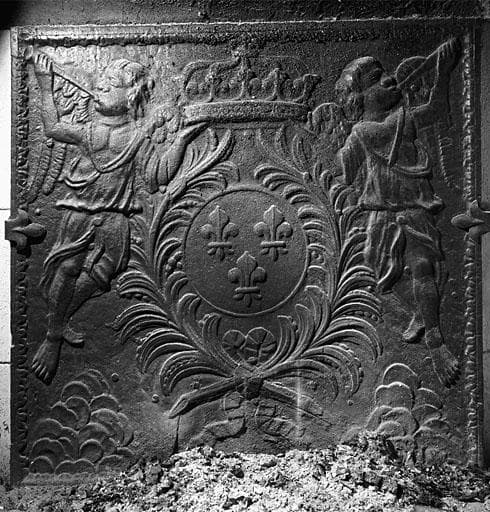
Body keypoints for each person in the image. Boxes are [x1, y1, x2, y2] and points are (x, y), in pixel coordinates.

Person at [32, 54, 204, 382]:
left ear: (130, 96)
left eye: (110, 85)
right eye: (100, 83)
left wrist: (181, 141)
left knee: (104, 271)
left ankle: (60, 316)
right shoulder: (87, 130)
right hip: (80, 209)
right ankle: (52, 337)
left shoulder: (138, 136)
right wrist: (43, 83)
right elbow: (52, 127)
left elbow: (155, 177)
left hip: (116, 215)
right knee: (68, 268)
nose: (100, 87)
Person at [334, 40, 460, 386]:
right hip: (381, 216)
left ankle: (435, 339)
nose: (389, 78)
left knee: (422, 267)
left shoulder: (399, 121)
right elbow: (342, 171)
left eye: (386, 73)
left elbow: (437, 108)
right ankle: (420, 309)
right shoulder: (367, 131)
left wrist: (443, 70)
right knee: (381, 275)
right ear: (359, 98)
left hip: (414, 210)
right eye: (377, 79)